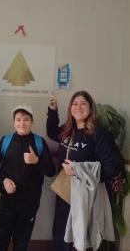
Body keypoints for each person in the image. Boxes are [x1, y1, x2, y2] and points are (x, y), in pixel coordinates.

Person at [46, 91, 124, 251]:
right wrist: (52, 111)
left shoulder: (99, 134)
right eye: (74, 103)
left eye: (83, 103)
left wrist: (77, 171)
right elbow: (52, 132)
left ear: (91, 107)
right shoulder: (68, 130)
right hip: (64, 192)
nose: (78, 107)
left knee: (79, 238)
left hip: (85, 196)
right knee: (61, 234)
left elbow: (113, 167)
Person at [0, 104, 56, 251]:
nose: (22, 123)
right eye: (18, 119)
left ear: (32, 122)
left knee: (21, 241)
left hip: (29, 202)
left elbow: (51, 171)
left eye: (26, 119)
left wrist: (36, 161)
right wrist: (5, 180)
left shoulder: (39, 142)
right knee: (1, 238)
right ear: (14, 122)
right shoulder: (6, 141)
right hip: (7, 200)